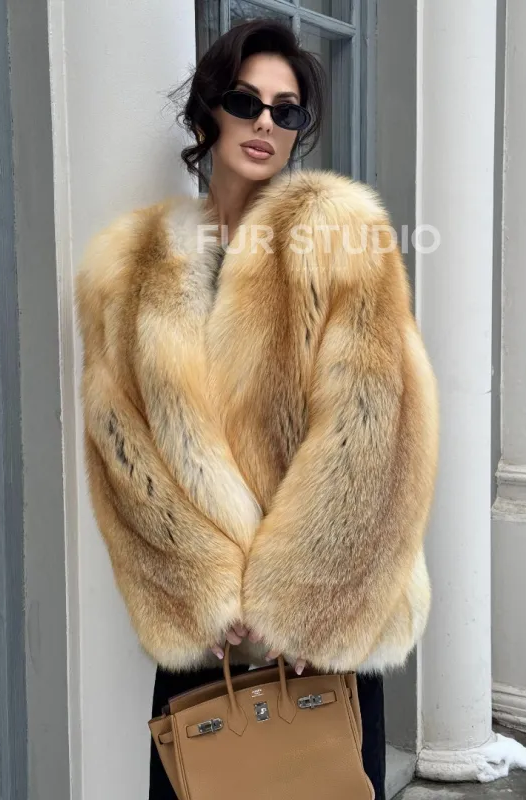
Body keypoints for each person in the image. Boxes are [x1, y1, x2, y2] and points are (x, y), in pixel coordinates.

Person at [75, 19, 438, 800]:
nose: (265, 122)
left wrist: (302, 603)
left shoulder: (342, 239)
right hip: (209, 652)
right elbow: (120, 446)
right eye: (246, 101)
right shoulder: (128, 270)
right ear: (210, 110)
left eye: (287, 109)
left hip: (316, 646)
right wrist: (206, 592)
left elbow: (374, 430)